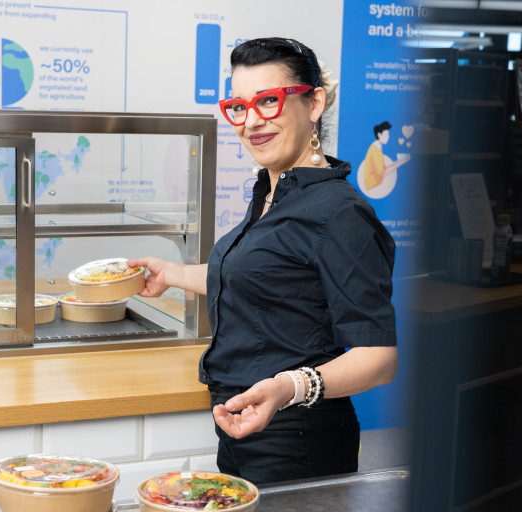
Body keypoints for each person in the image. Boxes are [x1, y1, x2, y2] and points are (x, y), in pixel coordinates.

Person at [128, 37, 397, 485]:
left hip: (298, 436)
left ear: (313, 104)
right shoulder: (271, 194)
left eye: (268, 101)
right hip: (242, 427)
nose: (251, 121)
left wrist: (287, 388)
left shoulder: (340, 213)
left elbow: (379, 357)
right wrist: (171, 274)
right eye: (239, 106)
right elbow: (263, 278)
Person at [360, 120, 411, 196]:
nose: (388, 137)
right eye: (386, 135)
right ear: (379, 135)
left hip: (376, 182)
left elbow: (384, 168)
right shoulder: (374, 149)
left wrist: (400, 161)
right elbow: (383, 173)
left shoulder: (378, 147)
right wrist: (401, 162)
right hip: (372, 185)